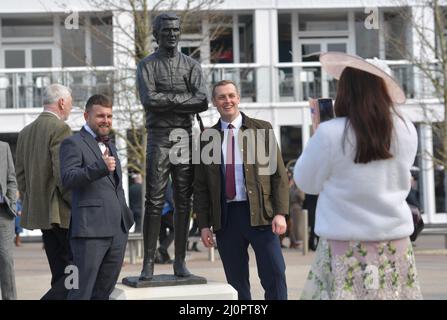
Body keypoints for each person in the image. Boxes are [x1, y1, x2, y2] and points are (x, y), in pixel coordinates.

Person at [293, 52, 423, 300]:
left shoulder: (331, 133)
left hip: (345, 244)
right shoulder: (406, 128)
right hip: (395, 241)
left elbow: (306, 182)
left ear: (347, 90)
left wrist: (318, 134)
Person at [193, 80, 289, 300]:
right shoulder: (207, 139)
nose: (227, 101)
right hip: (226, 219)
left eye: (231, 96)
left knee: (274, 273)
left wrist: (280, 213)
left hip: (261, 215)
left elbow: (279, 175)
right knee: (236, 283)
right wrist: (204, 225)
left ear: (238, 98)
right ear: (214, 102)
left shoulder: (261, 129)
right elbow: (200, 188)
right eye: (221, 97)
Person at [136, 12, 208, 280]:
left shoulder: (191, 65)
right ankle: (148, 263)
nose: (173, 34)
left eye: (176, 30)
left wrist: (167, 99)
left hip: (185, 137)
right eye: (166, 30)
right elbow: (149, 100)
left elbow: (201, 100)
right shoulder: (146, 66)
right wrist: (182, 99)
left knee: (183, 201)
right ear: (156, 34)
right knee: (153, 201)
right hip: (158, 137)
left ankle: (180, 262)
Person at [60, 94, 134, 300]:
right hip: (89, 232)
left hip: (118, 231)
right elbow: (68, 178)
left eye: (109, 116)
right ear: (86, 116)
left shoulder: (110, 145)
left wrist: (126, 218)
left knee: (103, 293)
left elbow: (114, 186)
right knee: (80, 293)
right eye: (100, 115)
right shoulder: (72, 143)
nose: (106, 120)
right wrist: (98, 168)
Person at [15, 84, 73, 300]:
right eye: (70, 103)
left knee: (59, 272)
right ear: (61, 103)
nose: (70, 108)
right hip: (63, 214)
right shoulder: (60, 129)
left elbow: (21, 177)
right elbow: (63, 175)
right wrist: (75, 203)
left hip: (41, 215)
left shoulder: (25, 132)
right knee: (73, 272)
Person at [0, 140, 17, 300]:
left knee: (6, 259)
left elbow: (11, 178)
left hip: (3, 212)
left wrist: (11, 201)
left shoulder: (4, 147)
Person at [155, 178, 175, 264]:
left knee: (162, 233)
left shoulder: (155, 179)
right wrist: (175, 208)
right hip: (166, 210)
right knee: (176, 229)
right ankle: (162, 249)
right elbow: (169, 196)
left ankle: (164, 258)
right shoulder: (166, 179)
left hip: (157, 210)